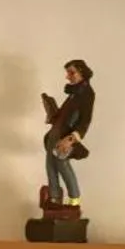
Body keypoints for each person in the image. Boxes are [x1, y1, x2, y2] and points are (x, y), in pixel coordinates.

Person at [40, 60, 95, 208]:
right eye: (67, 73)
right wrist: (52, 113)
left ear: (82, 73)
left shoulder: (86, 93)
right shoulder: (74, 93)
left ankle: (74, 199)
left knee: (62, 165)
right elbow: (64, 115)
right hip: (55, 133)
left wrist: (71, 139)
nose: (68, 76)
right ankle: (54, 198)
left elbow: (85, 121)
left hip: (65, 137)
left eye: (71, 72)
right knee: (50, 165)